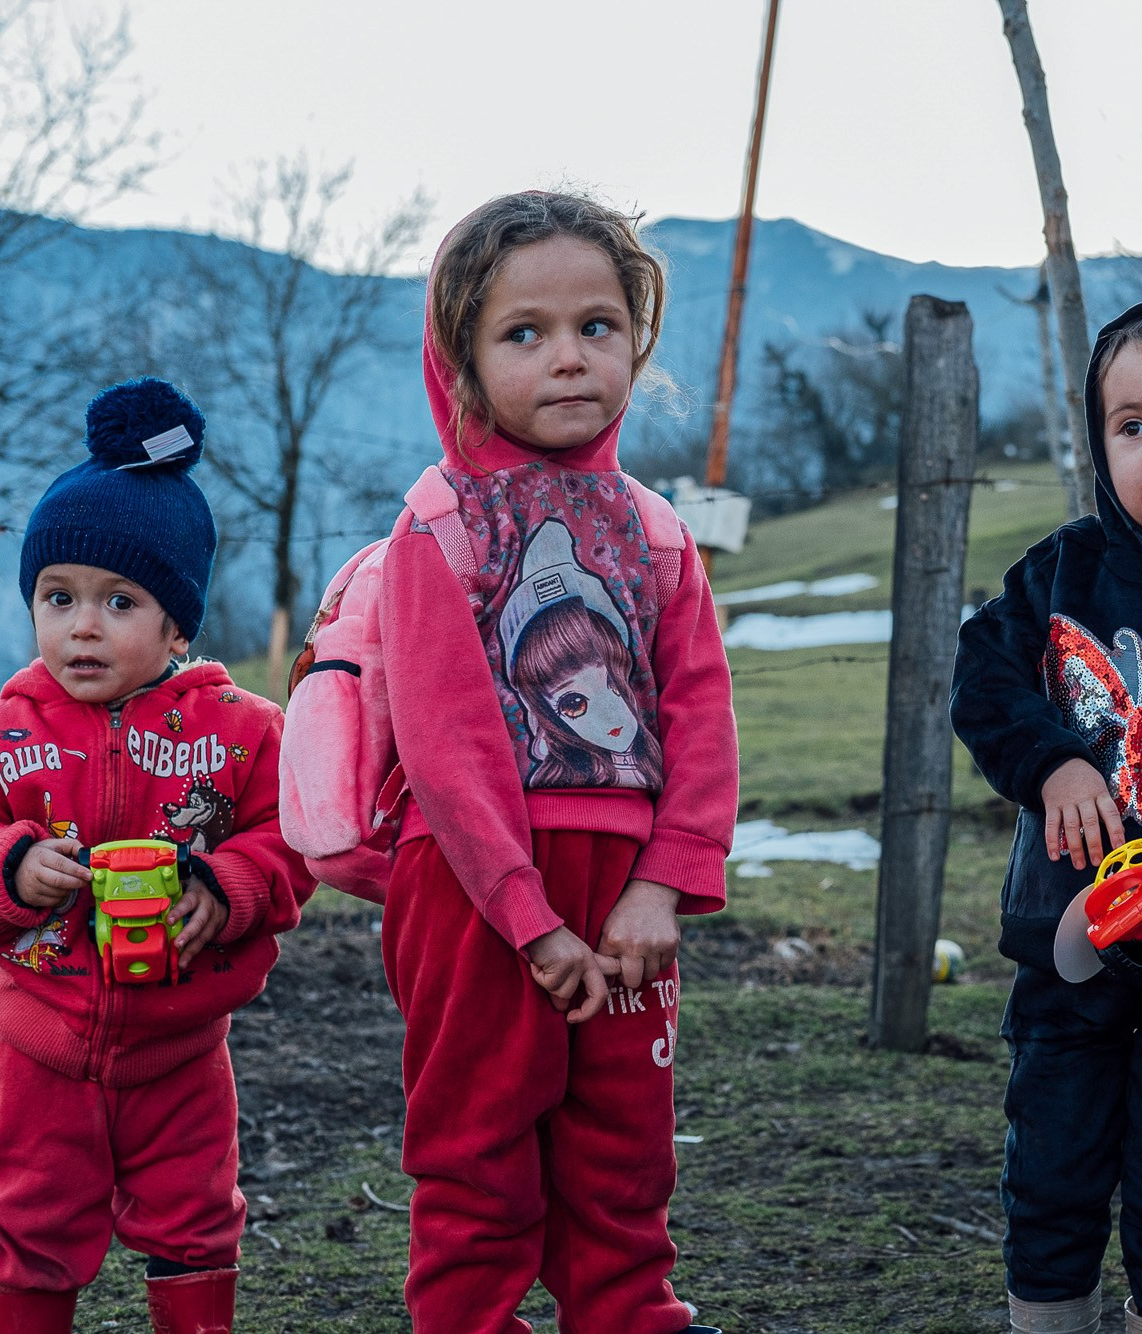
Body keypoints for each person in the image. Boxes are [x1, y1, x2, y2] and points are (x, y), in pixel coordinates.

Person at [374, 190, 736, 1334]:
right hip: (475, 892)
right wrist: (529, 920)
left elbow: (701, 716)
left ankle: (631, 1313)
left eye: (596, 325)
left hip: (626, 899)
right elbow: (448, 743)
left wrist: (658, 885)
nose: (567, 356)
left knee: (623, 1149)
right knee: (478, 1150)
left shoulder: (659, 529)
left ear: (636, 339)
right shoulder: (439, 523)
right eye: (522, 332)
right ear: (462, 360)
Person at [0, 378, 316, 1334]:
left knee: (198, 1220)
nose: (82, 624)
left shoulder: (244, 734)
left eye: (119, 600)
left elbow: (294, 836)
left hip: (184, 1049)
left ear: (177, 623)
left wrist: (231, 886)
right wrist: (4, 869)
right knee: (35, 1220)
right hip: (41, 1047)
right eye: (58, 596)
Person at [952, 298, 1142, 1334]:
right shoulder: (1056, 571)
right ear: (1098, 441)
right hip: (1064, 946)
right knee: (1051, 1166)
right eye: (1131, 426)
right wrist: (1049, 766)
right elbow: (982, 682)